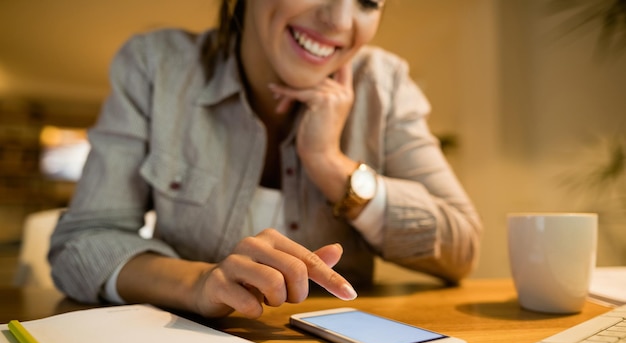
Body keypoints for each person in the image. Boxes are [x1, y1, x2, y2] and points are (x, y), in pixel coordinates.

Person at [49, 0, 482, 319]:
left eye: (368, 1)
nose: (339, 21)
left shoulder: (384, 84)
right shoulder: (156, 67)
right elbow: (81, 244)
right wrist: (199, 282)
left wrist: (330, 163)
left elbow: (462, 247)